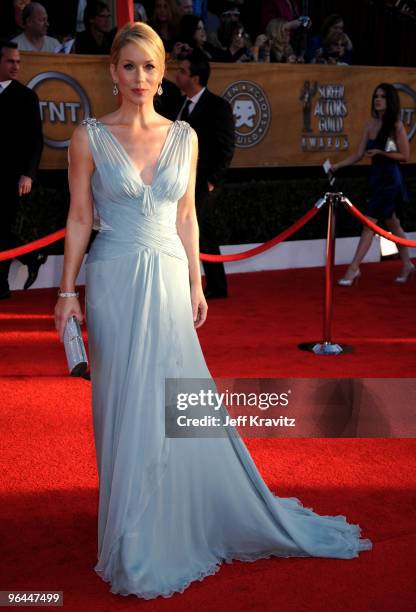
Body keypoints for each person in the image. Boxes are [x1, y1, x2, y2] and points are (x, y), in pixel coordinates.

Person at [54, 21, 371, 600]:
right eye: (128, 67)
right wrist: (66, 292)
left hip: (171, 279)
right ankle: (130, 524)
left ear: (162, 73)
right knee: (122, 399)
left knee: (176, 395)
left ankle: (175, 509)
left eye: (149, 67)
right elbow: (78, 218)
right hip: (114, 282)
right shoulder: (88, 138)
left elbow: (186, 216)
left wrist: (196, 279)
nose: (139, 79)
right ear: (112, 72)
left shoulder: (186, 137)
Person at [331, 83, 414, 285]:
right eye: (376, 96)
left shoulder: (395, 125)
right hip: (377, 179)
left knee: (369, 224)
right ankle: (407, 264)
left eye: (383, 96)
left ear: (390, 100)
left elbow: (405, 155)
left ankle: (353, 269)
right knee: (393, 224)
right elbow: (359, 155)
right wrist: (337, 166)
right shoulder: (370, 124)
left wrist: (381, 153)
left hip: (390, 180)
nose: (378, 99)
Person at [175, 49, 235, 298]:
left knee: (202, 231)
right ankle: (194, 284)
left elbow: (226, 146)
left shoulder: (217, 106)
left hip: (202, 183)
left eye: (182, 72)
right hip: (180, 181)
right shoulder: (180, 105)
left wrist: (212, 180)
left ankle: (216, 285)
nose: (177, 76)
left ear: (195, 78)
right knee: (191, 230)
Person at [0, 40, 44, 299]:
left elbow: (36, 140)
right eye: (10, 61)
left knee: (3, 229)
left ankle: (2, 284)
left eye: (18, 61)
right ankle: (31, 254)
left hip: (11, 177)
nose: (16, 66)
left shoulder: (26, 97)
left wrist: (28, 173)